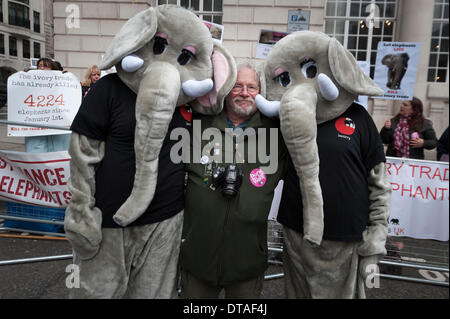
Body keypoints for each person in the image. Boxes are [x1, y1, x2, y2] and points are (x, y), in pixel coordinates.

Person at [64, 70, 189, 298]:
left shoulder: (188, 95)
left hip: (164, 221)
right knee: (93, 293)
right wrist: (81, 210)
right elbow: (82, 153)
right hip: (108, 220)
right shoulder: (110, 86)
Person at [179, 62, 286, 299]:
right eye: (237, 86)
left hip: (247, 262)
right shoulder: (198, 125)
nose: (245, 93)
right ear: (226, 90)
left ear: (261, 92)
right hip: (198, 259)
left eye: (252, 87)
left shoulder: (278, 133)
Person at [277, 102, 392, 299]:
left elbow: (379, 184)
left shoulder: (358, 116)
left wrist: (376, 235)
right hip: (297, 235)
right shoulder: (294, 113)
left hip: (345, 241)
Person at [25, 57, 72, 153]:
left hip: (57, 120)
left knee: (58, 149)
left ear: (53, 68)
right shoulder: (29, 81)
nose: (41, 68)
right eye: (40, 66)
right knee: (36, 149)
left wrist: (67, 79)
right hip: (36, 121)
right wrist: (23, 77)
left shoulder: (63, 81)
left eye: (45, 66)